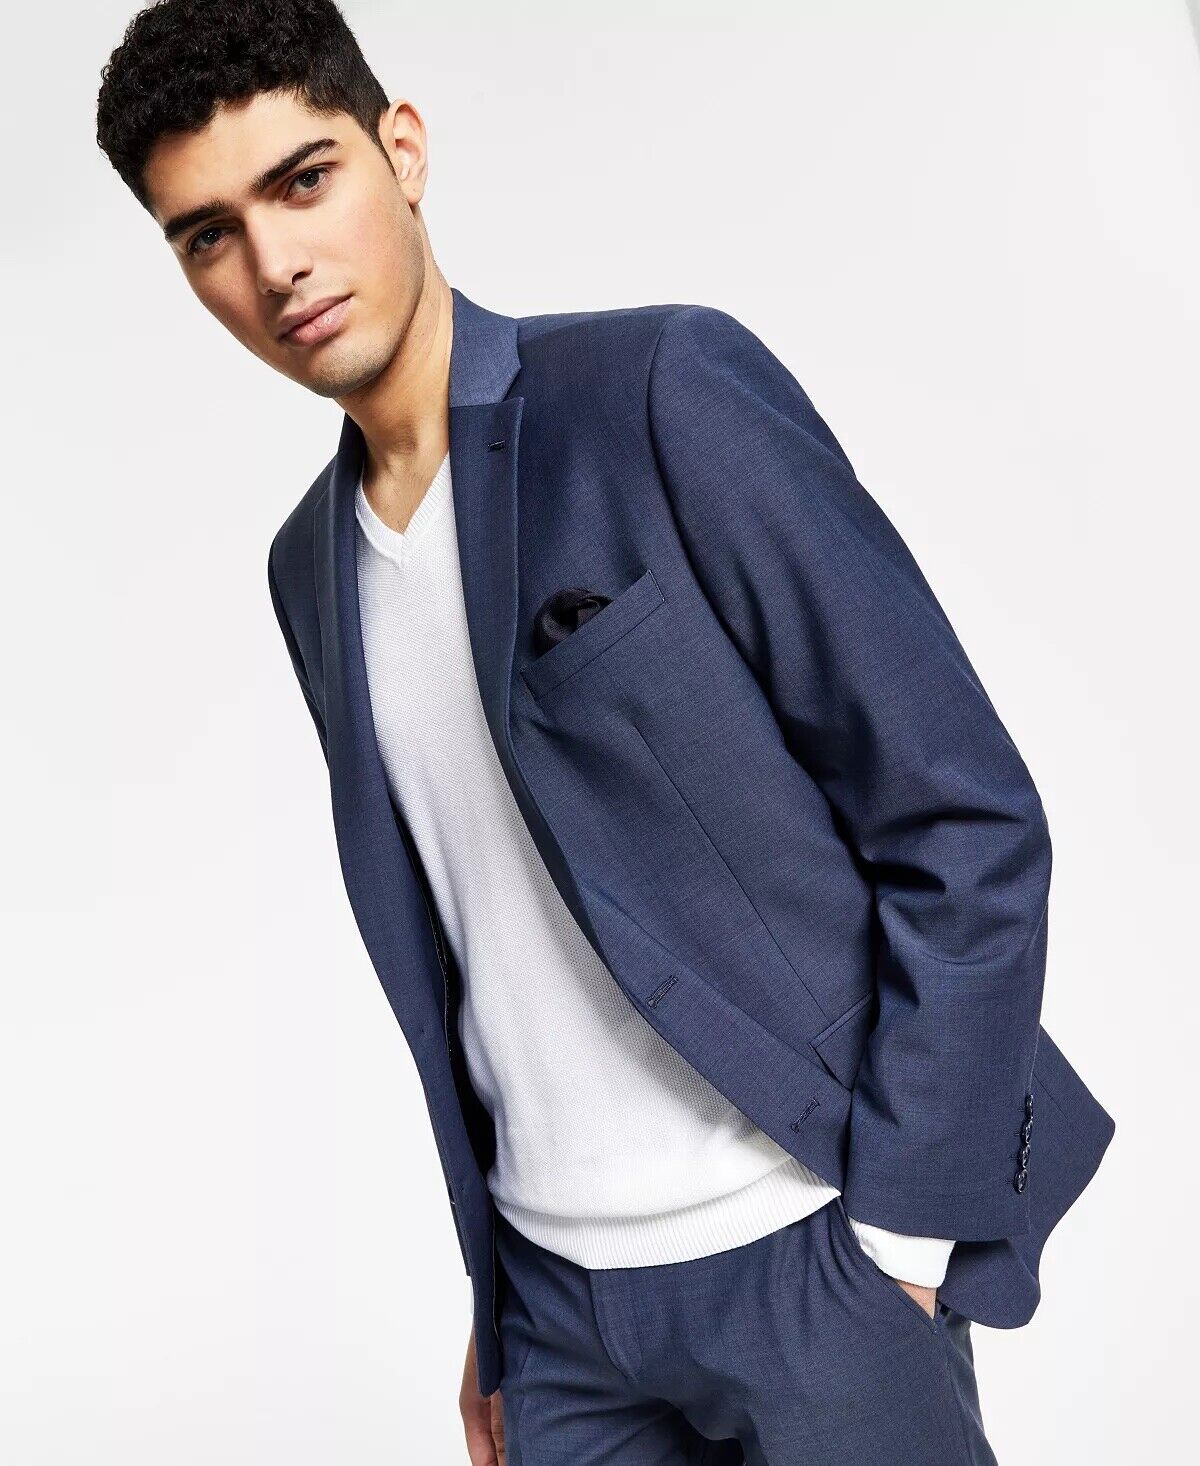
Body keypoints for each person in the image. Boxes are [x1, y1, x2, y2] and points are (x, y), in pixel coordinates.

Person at [96, 3, 1115, 1461]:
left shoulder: (656, 391)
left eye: (303, 180)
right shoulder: (306, 570)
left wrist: (901, 1235)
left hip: (813, 1253)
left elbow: (964, 816)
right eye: (209, 234)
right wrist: (499, 1299)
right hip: (559, 1321)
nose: (275, 265)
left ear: (402, 149)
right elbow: (472, 948)